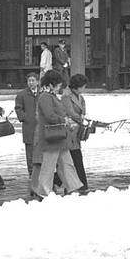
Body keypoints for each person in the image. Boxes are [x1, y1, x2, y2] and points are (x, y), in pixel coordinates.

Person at [31, 71, 84, 199]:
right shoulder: (45, 97)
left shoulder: (52, 96)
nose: (59, 88)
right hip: (51, 137)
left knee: (67, 163)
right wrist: (64, 120)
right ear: (51, 84)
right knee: (48, 166)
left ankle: (73, 186)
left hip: (58, 136)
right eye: (58, 85)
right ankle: (43, 191)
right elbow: (49, 115)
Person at [63, 73, 90, 188]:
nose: (84, 88)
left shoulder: (80, 96)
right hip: (69, 130)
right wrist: (80, 119)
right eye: (83, 86)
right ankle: (81, 184)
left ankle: (81, 183)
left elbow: (83, 110)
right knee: (74, 158)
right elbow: (70, 112)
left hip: (76, 131)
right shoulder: (66, 96)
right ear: (78, 86)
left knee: (75, 158)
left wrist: (83, 118)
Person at [14, 73, 41, 182]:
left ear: (38, 82)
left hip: (41, 126)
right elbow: (18, 108)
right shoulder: (22, 95)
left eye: (33, 80)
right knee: (30, 151)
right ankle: (31, 173)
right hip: (29, 126)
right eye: (29, 80)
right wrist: (25, 118)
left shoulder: (42, 93)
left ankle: (40, 172)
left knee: (40, 149)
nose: (31, 83)